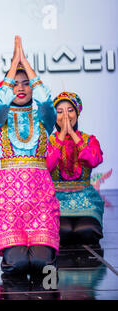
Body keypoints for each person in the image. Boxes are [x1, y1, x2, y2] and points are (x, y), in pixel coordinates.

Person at [0, 36, 60, 276]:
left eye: (25, 82)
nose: (20, 87)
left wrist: (25, 61)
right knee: (17, 266)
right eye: (15, 84)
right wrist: (13, 66)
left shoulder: (44, 117)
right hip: (9, 203)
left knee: (42, 265)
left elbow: (47, 100)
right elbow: (0, 103)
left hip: (41, 200)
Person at [47, 91, 104, 246]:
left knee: (87, 232)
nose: (65, 116)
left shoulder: (89, 140)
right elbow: (47, 165)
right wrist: (62, 135)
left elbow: (94, 160)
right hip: (57, 198)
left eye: (70, 110)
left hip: (85, 197)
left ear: (77, 113)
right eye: (60, 112)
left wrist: (72, 134)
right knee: (62, 232)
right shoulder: (49, 142)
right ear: (54, 116)